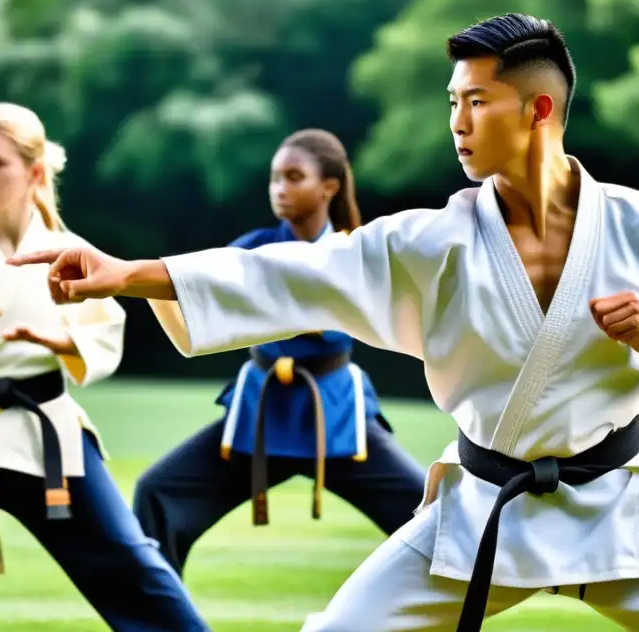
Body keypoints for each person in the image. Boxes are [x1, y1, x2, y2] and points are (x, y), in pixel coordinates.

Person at [10, 14, 639, 632]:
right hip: (485, 509)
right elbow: (288, 273)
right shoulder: (434, 238)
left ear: (538, 108)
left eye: (475, 101)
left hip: (622, 504)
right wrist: (127, 274)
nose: (457, 121)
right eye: (452, 103)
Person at [0, 103, 210, 631]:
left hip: (45, 434)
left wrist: (56, 338)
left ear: (34, 172)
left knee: (132, 565)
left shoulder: (71, 253)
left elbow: (105, 332)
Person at [132, 128, 427, 576]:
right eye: (275, 178)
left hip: (336, 413)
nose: (280, 189)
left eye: (293, 177)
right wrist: (137, 278)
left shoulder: (357, 251)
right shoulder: (254, 248)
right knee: (158, 493)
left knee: (432, 518)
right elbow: (193, 285)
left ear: (328, 186)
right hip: (261, 408)